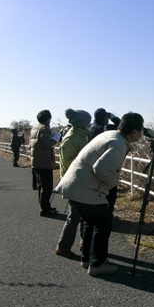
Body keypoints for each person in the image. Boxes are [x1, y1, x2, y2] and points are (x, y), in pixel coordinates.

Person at [55, 112, 144, 276]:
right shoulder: (118, 144)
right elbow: (101, 169)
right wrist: (115, 180)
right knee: (104, 223)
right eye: (141, 130)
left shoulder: (110, 135)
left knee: (90, 222)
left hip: (73, 186)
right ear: (135, 132)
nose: (142, 133)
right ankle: (98, 264)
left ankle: (87, 259)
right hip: (85, 189)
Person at [55, 109, 92, 259]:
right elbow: (68, 164)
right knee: (75, 216)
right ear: (83, 123)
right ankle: (63, 246)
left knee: (83, 215)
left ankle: (85, 242)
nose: (90, 124)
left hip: (81, 180)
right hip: (75, 182)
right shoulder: (72, 138)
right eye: (88, 121)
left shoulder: (79, 135)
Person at [89, 108, 121, 213]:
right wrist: (111, 115)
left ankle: (98, 212)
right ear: (105, 117)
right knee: (110, 191)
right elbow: (120, 124)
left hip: (92, 161)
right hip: (104, 162)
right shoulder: (104, 127)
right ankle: (107, 214)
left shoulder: (91, 127)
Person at [30, 109, 60, 217]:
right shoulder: (44, 129)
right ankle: (45, 209)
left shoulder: (35, 128)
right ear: (48, 119)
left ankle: (45, 206)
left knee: (41, 186)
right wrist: (56, 138)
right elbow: (47, 144)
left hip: (37, 161)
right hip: (44, 162)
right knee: (47, 187)